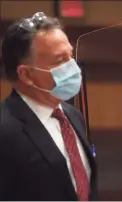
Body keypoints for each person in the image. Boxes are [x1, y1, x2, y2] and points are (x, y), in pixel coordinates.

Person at [0, 12, 97, 200]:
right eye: (61, 60)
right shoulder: (5, 128)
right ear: (26, 75)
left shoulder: (73, 116)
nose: (73, 67)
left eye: (71, 55)